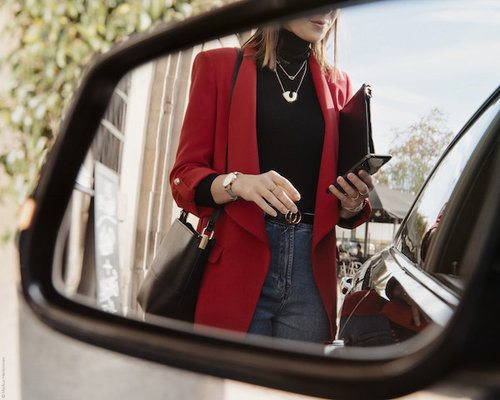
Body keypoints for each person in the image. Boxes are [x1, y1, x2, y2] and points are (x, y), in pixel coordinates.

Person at [170, 11, 374, 344]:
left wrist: (352, 201)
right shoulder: (218, 67)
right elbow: (183, 178)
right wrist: (240, 183)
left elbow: (341, 205)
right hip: (235, 266)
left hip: (312, 274)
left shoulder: (340, 86)